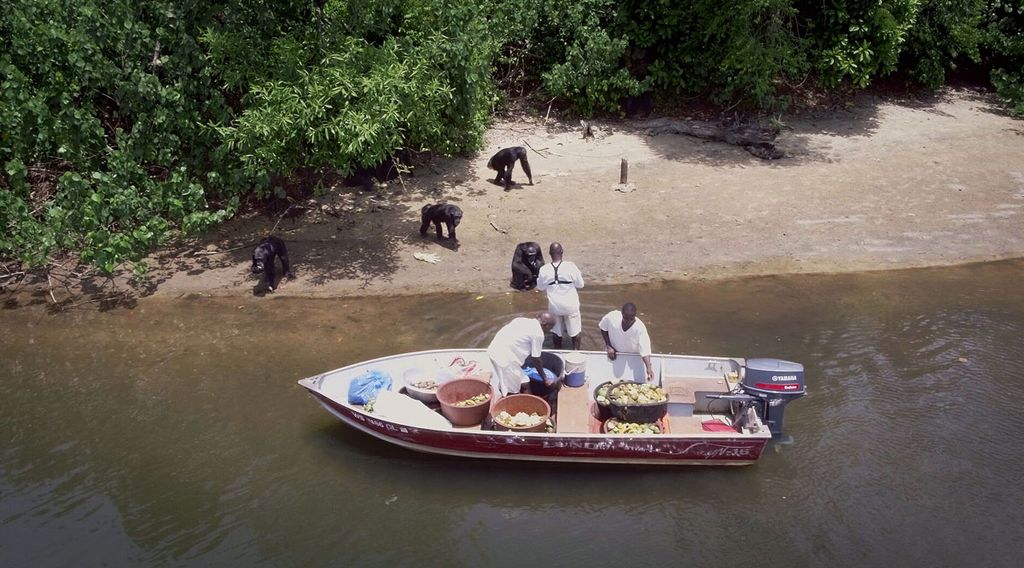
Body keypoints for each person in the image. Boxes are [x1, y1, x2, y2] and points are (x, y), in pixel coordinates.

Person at [487, 312, 557, 398]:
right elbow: (536, 359)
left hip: (494, 349)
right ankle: (511, 405)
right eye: (550, 328)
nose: (550, 331)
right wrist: (545, 379)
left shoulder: (521, 320)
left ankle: (531, 404)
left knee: (525, 382)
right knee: (513, 391)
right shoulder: (538, 334)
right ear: (545, 324)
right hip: (505, 359)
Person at [536, 242, 585, 349]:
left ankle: (558, 352)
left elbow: (540, 287)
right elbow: (581, 285)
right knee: (575, 332)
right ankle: (576, 353)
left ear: (549, 253)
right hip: (571, 306)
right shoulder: (571, 266)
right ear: (562, 252)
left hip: (555, 308)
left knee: (556, 332)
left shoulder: (544, 269)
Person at [598, 302, 654, 381]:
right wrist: (609, 346)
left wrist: (649, 368)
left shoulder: (640, 328)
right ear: (622, 314)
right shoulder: (612, 317)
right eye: (625, 318)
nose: (628, 321)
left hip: (633, 354)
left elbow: (645, 349)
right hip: (616, 352)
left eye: (631, 318)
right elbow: (603, 328)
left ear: (635, 316)